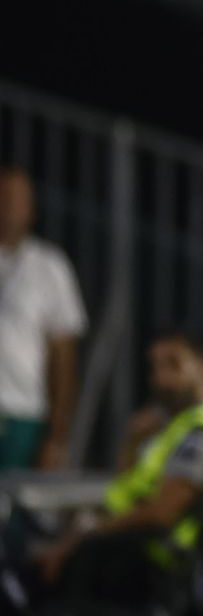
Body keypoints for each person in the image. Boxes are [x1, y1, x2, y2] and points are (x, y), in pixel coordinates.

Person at [0, 329, 203, 616]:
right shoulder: (167, 432)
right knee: (19, 563)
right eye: (154, 367)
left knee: (15, 581)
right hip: (125, 554)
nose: (160, 378)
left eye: (173, 364)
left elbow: (161, 513)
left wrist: (76, 541)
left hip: (150, 563)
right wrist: (130, 441)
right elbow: (124, 496)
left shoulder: (202, 431)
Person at [0, 166, 86, 474]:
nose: (9, 206)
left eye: (18, 199)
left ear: (32, 209)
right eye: (4, 196)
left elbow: (64, 354)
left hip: (23, 414)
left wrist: (58, 436)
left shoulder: (50, 266)